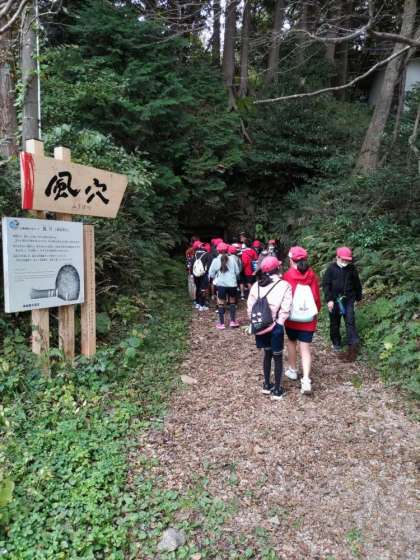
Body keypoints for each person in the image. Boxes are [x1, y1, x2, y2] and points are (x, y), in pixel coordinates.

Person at [247, 256, 292, 400]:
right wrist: (279, 322)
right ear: (277, 268)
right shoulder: (284, 285)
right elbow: (286, 308)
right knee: (277, 356)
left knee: (267, 354)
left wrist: (255, 322)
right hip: (275, 326)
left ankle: (266, 384)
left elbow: (250, 308)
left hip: (260, 325)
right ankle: (277, 389)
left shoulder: (256, 285)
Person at [283, 246, 321, 395]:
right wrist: (315, 313)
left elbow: (285, 296)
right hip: (308, 319)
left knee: (291, 342)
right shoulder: (312, 275)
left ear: (291, 260)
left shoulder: (288, 275)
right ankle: (306, 379)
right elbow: (316, 298)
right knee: (305, 348)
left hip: (292, 318)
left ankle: (293, 370)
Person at [322, 247, 362, 362]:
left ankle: (353, 345)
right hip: (334, 300)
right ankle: (336, 343)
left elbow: (357, 284)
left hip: (348, 299)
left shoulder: (351, 269)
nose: (345, 262)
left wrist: (358, 297)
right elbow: (326, 285)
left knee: (350, 320)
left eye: (347, 260)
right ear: (337, 258)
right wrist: (329, 300)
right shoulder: (331, 269)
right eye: (343, 259)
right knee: (335, 322)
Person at [208, 242, 240, 329]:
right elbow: (237, 272)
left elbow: (211, 274)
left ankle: (222, 324)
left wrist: (216, 277)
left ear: (217, 250)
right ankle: (233, 321)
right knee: (232, 302)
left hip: (221, 284)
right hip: (232, 284)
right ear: (227, 250)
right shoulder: (232, 259)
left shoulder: (215, 260)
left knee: (221, 303)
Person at [191, 241, 212, 311]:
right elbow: (209, 266)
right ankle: (202, 305)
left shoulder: (194, 255)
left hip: (195, 274)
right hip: (204, 274)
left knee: (197, 288)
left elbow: (191, 265)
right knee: (203, 289)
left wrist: (192, 274)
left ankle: (197, 303)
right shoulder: (207, 255)